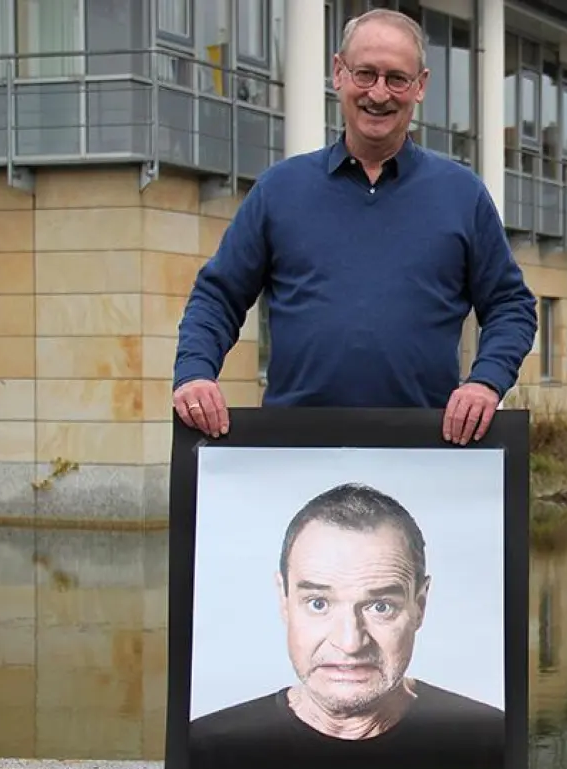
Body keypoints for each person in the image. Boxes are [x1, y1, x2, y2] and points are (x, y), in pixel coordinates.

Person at [170, 9, 536, 445]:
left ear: (420, 86)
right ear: (337, 72)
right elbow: (217, 297)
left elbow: (511, 306)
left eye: (396, 78)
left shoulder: (462, 195)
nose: (378, 93)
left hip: (427, 452)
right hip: (295, 450)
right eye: (365, 73)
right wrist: (194, 373)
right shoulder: (279, 190)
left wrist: (486, 382)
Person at [188, 482, 505, 769]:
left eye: (380, 606)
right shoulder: (210, 748)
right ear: (284, 600)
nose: (350, 642)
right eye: (318, 603)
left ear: (419, 606)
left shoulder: (487, 742)